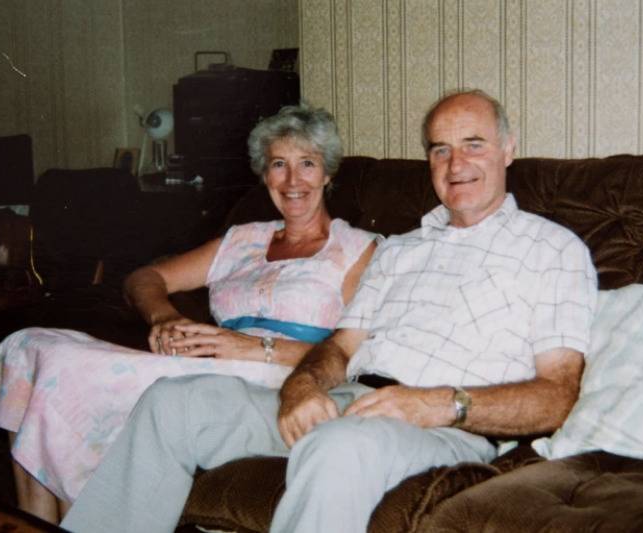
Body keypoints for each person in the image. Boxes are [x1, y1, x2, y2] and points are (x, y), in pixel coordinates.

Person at [60, 89, 598, 533]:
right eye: (439, 149)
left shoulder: (552, 250)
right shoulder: (401, 249)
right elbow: (340, 346)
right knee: (173, 402)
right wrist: (301, 387)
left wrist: (438, 404)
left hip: (446, 429)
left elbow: (556, 395)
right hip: (350, 400)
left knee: (339, 446)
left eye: (473, 144)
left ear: (508, 148)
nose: (455, 164)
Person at [0, 103, 378, 525]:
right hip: (203, 361)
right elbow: (144, 277)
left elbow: (354, 354)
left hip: (275, 375)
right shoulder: (243, 240)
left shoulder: (357, 248)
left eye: (307, 163)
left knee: (70, 369)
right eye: (278, 164)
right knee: (26, 345)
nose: (292, 180)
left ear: (327, 173)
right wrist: (162, 316)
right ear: (264, 175)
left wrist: (251, 346)